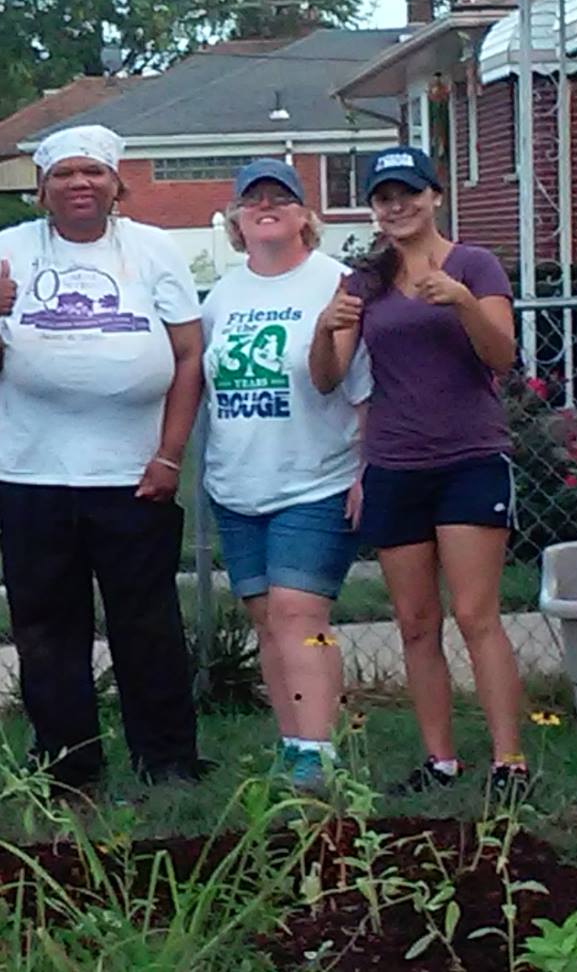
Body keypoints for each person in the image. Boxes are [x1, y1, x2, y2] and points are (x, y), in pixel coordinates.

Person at [0, 124, 204, 791]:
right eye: (63, 174)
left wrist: (170, 456)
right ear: (42, 190)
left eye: (92, 172)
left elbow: (188, 356)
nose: (79, 185)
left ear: (116, 183)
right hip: (33, 477)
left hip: (133, 477)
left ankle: (168, 762)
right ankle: (67, 763)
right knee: (46, 631)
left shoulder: (152, 252)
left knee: (147, 627)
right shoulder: (7, 252)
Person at [313, 145, 528, 800]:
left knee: (475, 612)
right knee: (414, 619)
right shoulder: (364, 281)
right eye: (384, 197)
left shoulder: (473, 264)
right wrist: (324, 330)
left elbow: (501, 357)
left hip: (468, 459)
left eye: (409, 193)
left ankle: (508, 761)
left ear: (435, 196)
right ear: (373, 209)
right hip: (395, 463)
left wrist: (462, 301)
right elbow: (327, 379)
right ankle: (440, 760)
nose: (397, 206)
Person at [203, 159, 372, 794]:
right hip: (238, 482)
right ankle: (291, 741)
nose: (265, 207)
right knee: (266, 619)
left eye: (281, 198)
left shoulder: (336, 285)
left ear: (306, 216)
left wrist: (366, 469)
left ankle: (320, 751)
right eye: (252, 201)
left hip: (316, 479)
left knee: (300, 611)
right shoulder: (224, 296)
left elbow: (357, 388)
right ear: (237, 222)